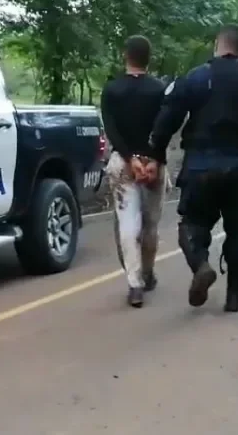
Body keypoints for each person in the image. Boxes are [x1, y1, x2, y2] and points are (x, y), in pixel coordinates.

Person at [145, 24, 238, 312]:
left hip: (202, 167)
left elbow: (168, 117)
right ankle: (234, 297)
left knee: (192, 224)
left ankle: (201, 265)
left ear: (217, 45)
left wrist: (156, 154)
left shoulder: (196, 78)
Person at [100, 35, 168, 308]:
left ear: (125, 56)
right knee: (151, 224)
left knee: (128, 225)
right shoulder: (159, 90)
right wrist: (153, 159)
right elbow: (164, 127)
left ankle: (135, 284)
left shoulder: (112, 90)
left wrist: (130, 159)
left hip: (123, 165)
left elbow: (112, 130)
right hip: (154, 164)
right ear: (149, 58)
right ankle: (149, 272)